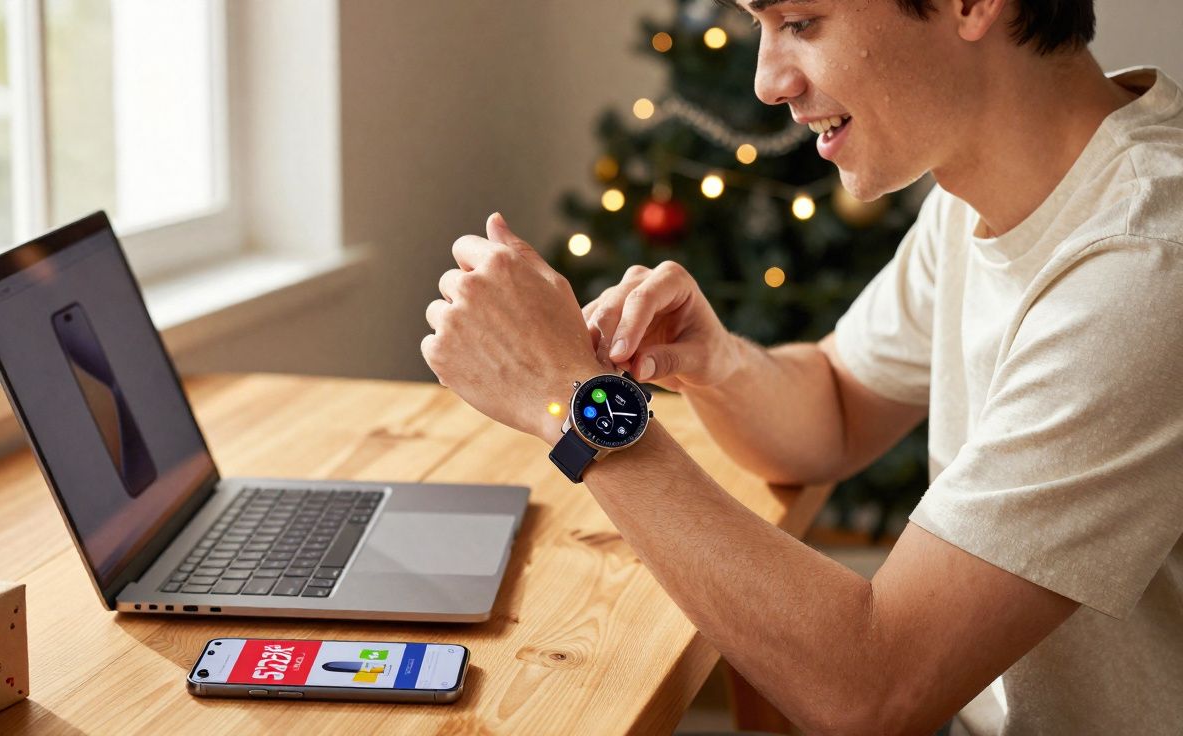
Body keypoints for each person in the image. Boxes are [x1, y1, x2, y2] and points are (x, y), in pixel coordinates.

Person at [420, 0, 1183, 732]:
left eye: (801, 22)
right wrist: (718, 363)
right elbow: (839, 406)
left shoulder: (1144, 264)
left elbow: (872, 692)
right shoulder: (979, 189)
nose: (767, 81)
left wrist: (575, 404)